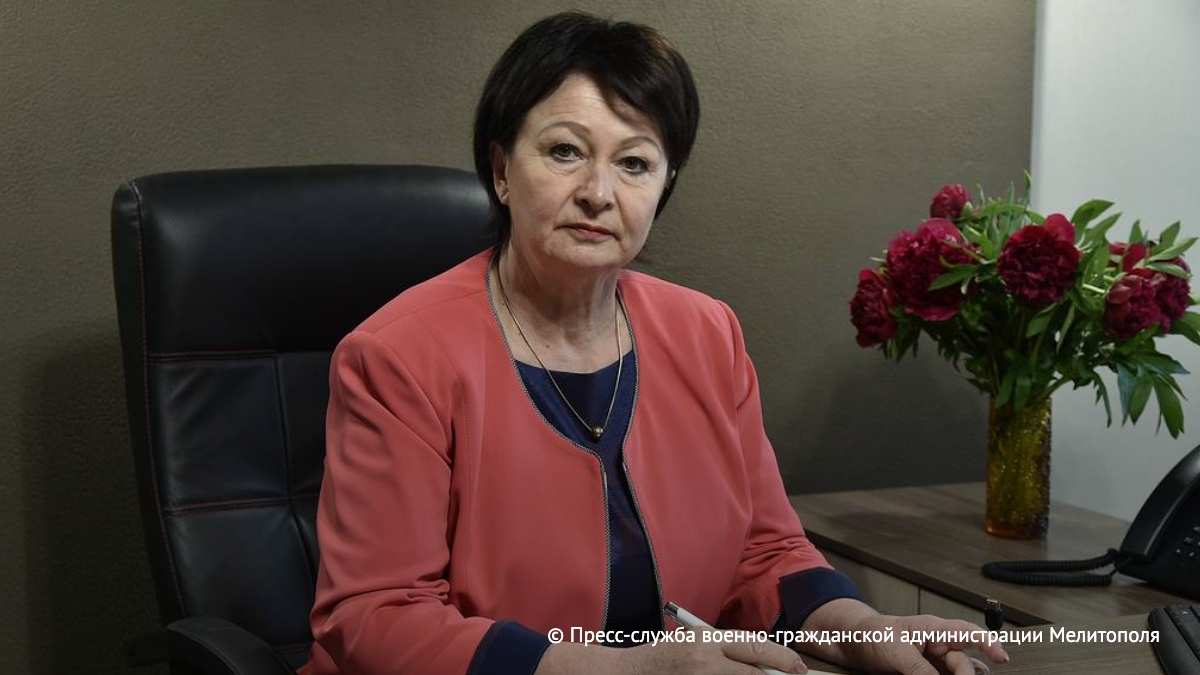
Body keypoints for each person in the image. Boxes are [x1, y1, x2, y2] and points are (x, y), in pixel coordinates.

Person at [302, 11, 1008, 675]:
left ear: (665, 184)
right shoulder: (398, 356)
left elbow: (764, 551)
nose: (597, 192)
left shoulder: (707, 334)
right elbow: (375, 615)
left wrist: (863, 628)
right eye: (564, 151)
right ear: (501, 169)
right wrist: (628, 669)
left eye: (634, 163)